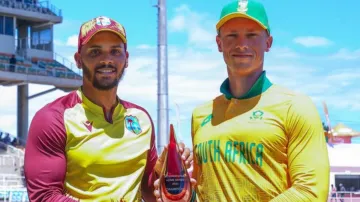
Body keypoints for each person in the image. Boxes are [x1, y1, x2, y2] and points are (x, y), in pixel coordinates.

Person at [154, 0, 330, 201]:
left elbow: (311, 192)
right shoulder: (201, 115)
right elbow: (202, 192)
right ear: (219, 43)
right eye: (232, 35)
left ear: (268, 42)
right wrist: (181, 194)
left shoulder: (296, 107)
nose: (242, 44)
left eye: (252, 35)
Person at [24, 16, 192, 202]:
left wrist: (170, 174)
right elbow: (44, 196)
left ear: (126, 59)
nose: (107, 60)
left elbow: (149, 190)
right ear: (78, 59)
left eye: (115, 51)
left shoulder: (141, 118)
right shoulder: (53, 118)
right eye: (95, 52)